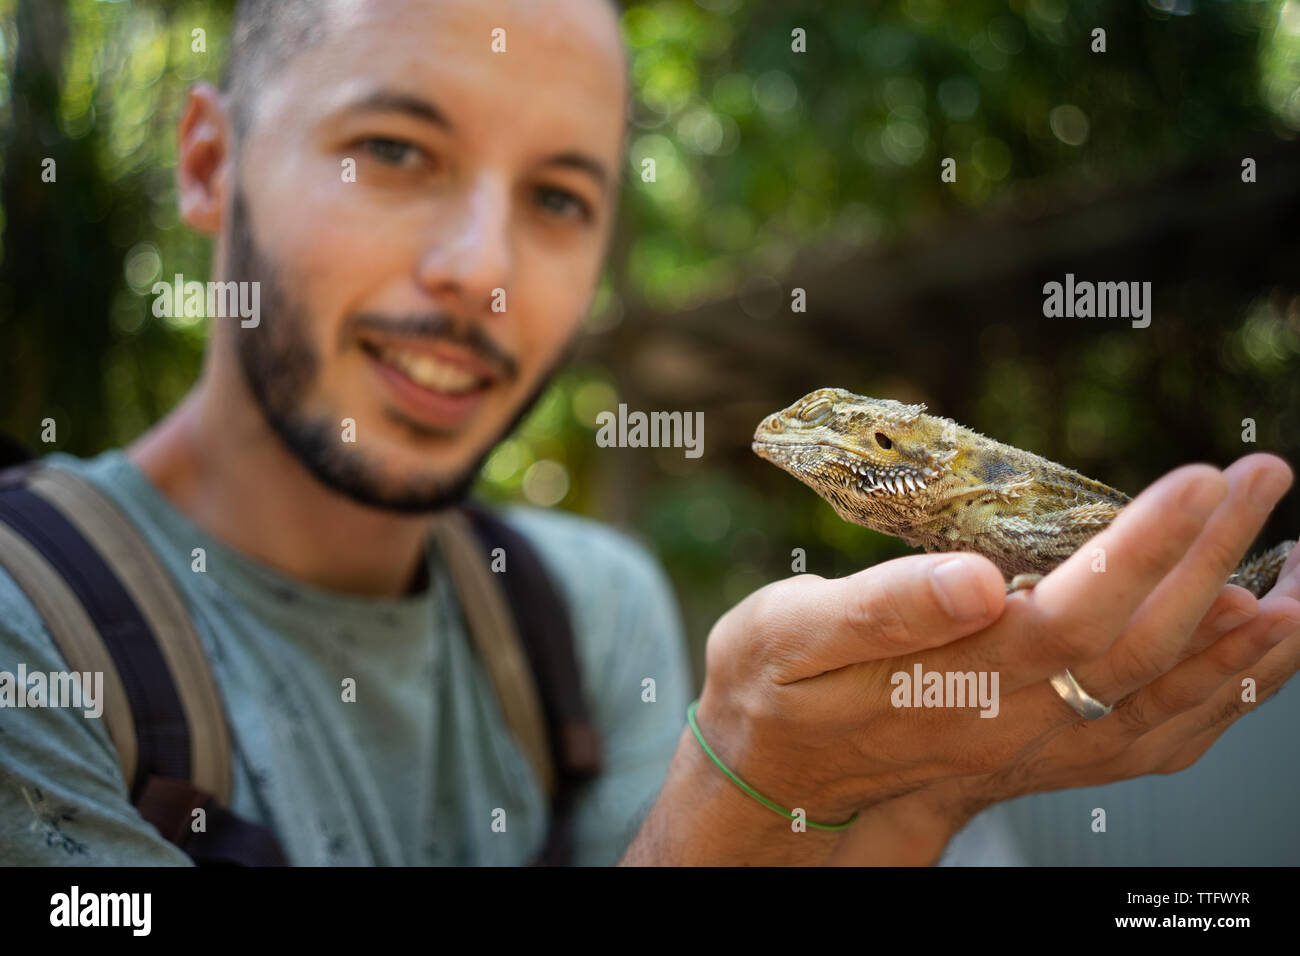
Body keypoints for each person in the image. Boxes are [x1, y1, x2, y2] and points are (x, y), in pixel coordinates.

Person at [2, 0, 1298, 866]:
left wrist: (884, 813)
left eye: (561, 195)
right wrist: (737, 795)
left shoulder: (584, 608)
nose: (483, 270)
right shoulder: (30, 629)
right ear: (209, 165)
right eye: (395, 150)